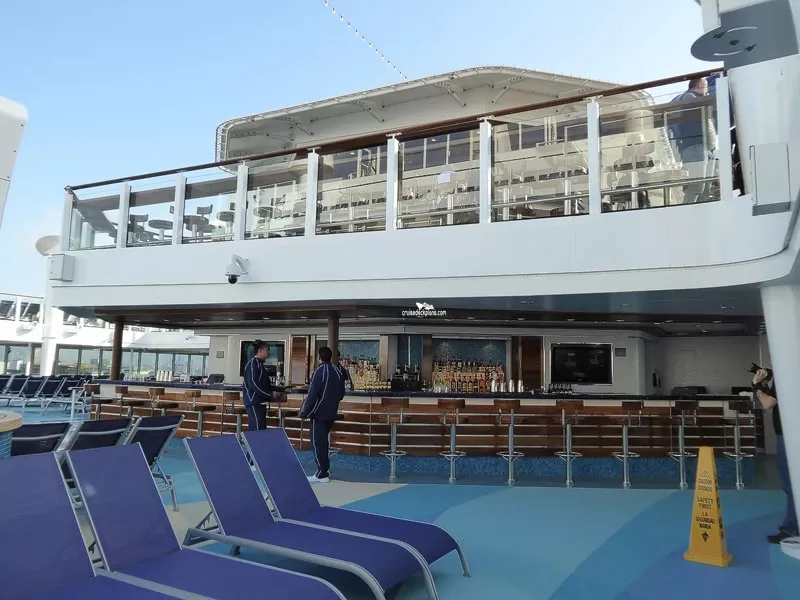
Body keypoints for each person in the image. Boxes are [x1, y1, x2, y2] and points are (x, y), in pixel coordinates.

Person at [752, 366, 798, 543]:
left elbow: (769, 403)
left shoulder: (786, 374)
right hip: (792, 433)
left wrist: (757, 386)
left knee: (791, 484)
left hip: (788, 436)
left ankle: (792, 528)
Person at [299, 346, 346, 483]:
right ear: (331, 356)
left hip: (318, 413)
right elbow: (341, 394)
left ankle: (322, 472)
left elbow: (313, 394)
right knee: (323, 442)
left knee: (318, 443)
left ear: (319, 357)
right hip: (331, 413)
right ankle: (325, 470)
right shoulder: (338, 372)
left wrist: (304, 412)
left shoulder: (319, 372)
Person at [668, 78, 717, 204]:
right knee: (696, 187)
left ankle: (700, 212)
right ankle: (687, 212)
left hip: (707, 148)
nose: (707, 89)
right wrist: (705, 98)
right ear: (701, 84)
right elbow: (693, 107)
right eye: (706, 85)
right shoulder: (689, 96)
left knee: (705, 189)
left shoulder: (699, 99)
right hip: (695, 147)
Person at [242, 340, 281, 431]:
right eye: (267, 350)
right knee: (257, 430)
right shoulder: (253, 364)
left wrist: (282, 389)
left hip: (260, 402)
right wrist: (270, 394)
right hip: (254, 402)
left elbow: (266, 385)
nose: (269, 352)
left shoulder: (260, 365)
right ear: (260, 350)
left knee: (261, 429)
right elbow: (254, 384)